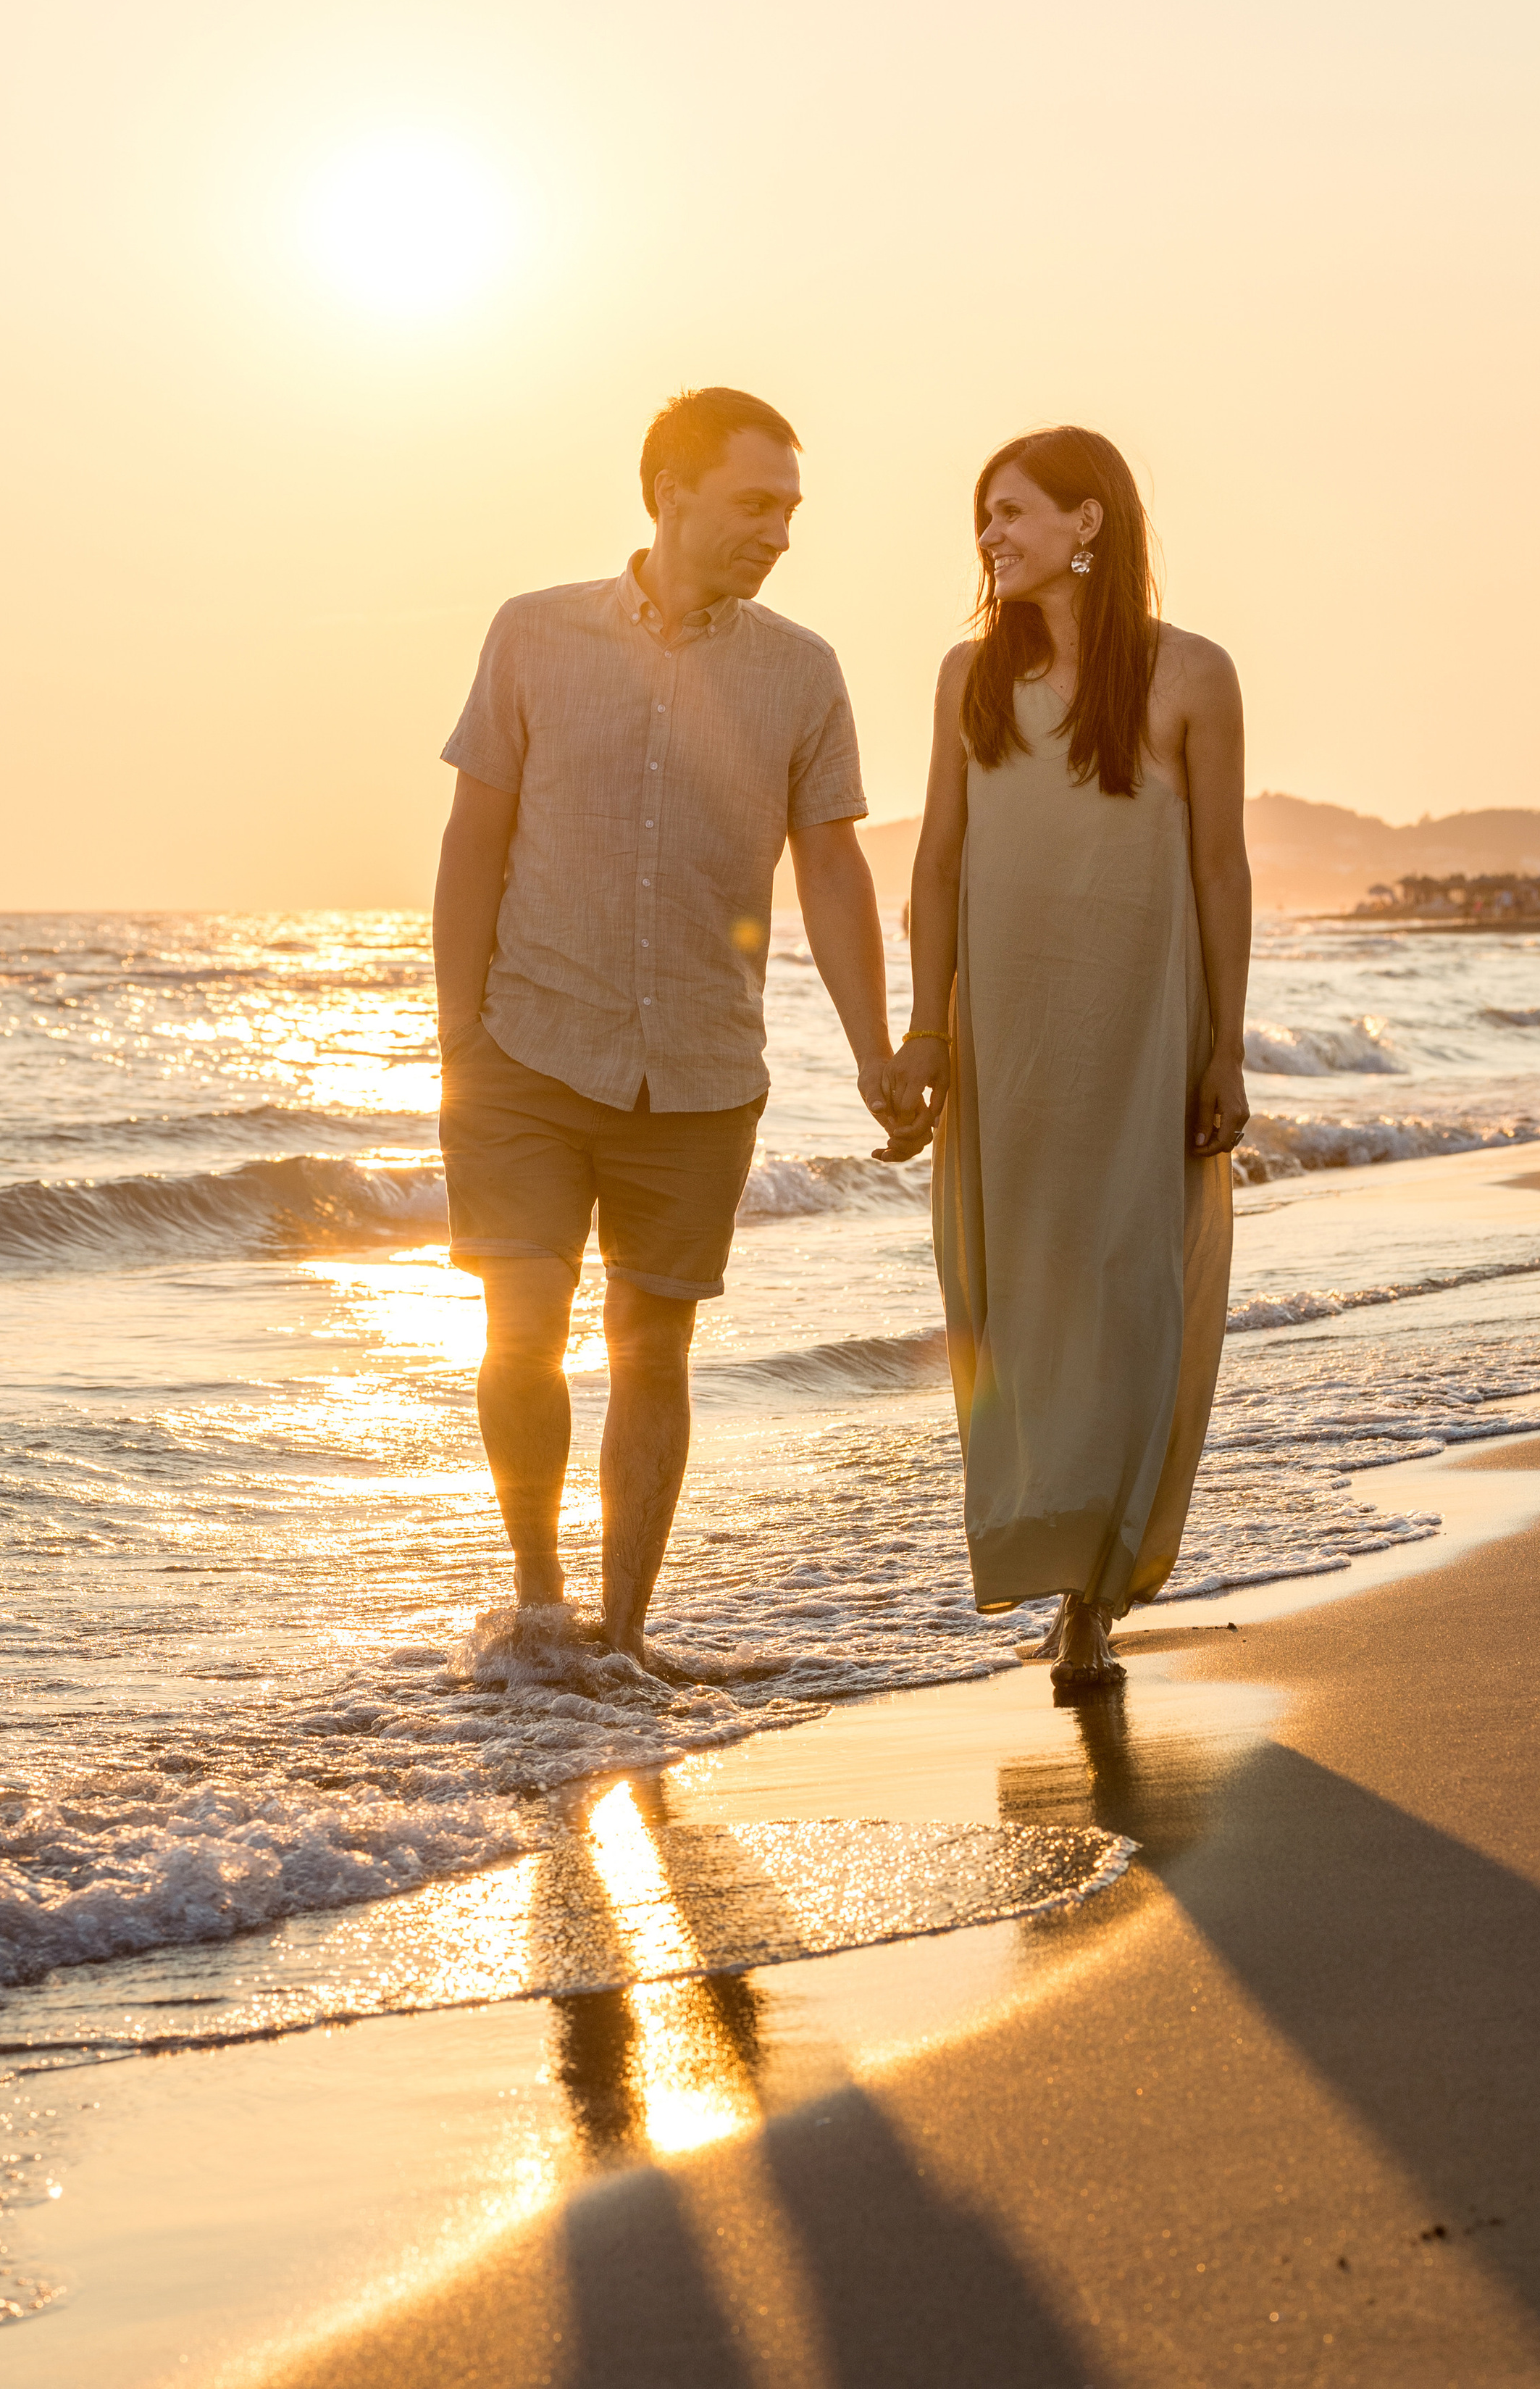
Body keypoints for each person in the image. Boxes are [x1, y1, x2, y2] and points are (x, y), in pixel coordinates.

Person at [434, 387, 897, 1670]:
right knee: (519, 1330)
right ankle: (540, 1612)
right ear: (669, 490)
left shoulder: (802, 673)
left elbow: (834, 872)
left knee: (655, 1348)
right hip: (526, 1050)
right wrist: (457, 1033)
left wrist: (875, 1051)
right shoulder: (533, 635)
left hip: (699, 1069)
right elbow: (474, 839)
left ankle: (625, 1638)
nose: (781, 533)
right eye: (759, 503)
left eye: (793, 510)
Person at [884, 427, 1250, 1692]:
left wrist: (1227, 1046)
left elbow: (1219, 870)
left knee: (1130, 1291)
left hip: (1143, 1027)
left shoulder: (1191, 675)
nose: (992, 536)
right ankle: (1056, 1573)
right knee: (1015, 1300)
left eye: (1016, 512)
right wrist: (925, 1031)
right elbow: (934, 862)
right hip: (1009, 1040)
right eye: (984, 517)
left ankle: (1096, 1593)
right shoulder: (969, 675)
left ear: (1088, 523)